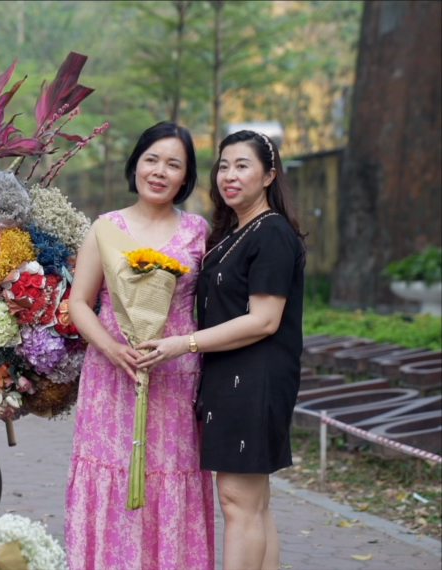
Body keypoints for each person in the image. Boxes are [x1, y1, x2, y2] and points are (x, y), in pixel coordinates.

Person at [136, 130, 306, 570]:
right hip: (230, 375)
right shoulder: (236, 232)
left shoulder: (272, 232)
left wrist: (183, 344)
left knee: (237, 501)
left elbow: (264, 320)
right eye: (224, 166)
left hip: (255, 377)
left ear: (268, 176)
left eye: (242, 166)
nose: (229, 175)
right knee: (252, 504)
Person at [66, 122, 215, 569]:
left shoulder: (199, 232)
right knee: (109, 474)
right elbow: (79, 303)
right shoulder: (105, 228)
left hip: (176, 380)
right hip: (111, 378)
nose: (159, 171)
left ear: (185, 177)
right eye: (151, 159)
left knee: (170, 478)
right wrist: (112, 349)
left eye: (173, 164)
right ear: (135, 166)